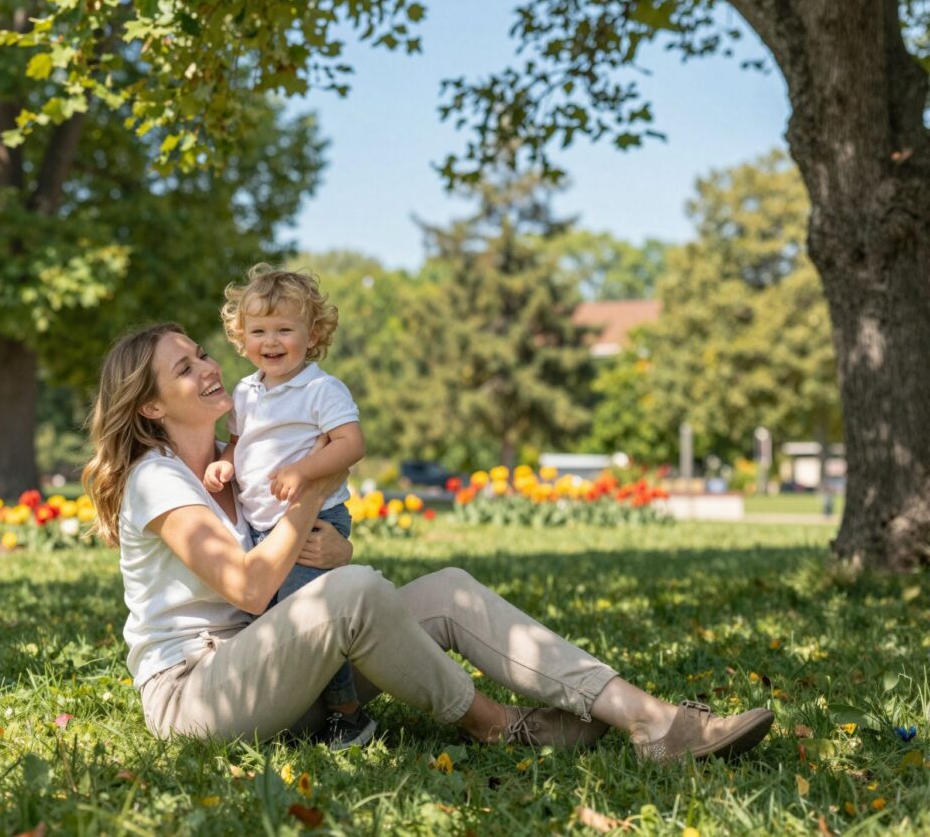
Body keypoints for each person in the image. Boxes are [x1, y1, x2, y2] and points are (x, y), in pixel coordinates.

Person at [83, 323, 774, 762]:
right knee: (355, 593)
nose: (206, 367)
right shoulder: (156, 479)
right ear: (150, 406)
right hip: (198, 696)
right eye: (183, 369)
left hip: (280, 673)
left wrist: (332, 550)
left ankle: (653, 722)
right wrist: (317, 485)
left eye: (201, 353)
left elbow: (293, 576)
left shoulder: (236, 463)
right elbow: (250, 585)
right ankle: (499, 725)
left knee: (446, 590)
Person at [202, 264, 372, 749]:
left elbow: (351, 444)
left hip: (313, 520)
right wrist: (225, 463)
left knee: (308, 620)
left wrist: (304, 469)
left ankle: (348, 715)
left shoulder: (321, 389)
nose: (271, 341)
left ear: (312, 335)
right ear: (242, 337)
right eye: (258, 331)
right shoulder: (245, 392)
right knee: (268, 625)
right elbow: (241, 442)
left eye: (284, 330)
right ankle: (291, 707)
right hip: (262, 527)